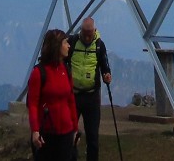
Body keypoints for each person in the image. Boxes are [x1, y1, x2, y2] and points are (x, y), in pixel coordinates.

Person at [27, 28, 79, 161]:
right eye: (65, 42)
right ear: (57, 46)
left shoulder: (66, 70)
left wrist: (75, 129)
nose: (69, 46)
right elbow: (32, 104)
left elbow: (71, 100)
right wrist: (35, 131)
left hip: (66, 133)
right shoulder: (39, 73)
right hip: (46, 134)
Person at [68, 17, 112, 161]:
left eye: (90, 33)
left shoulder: (99, 45)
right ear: (81, 30)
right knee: (70, 134)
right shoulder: (72, 42)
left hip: (92, 96)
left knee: (92, 136)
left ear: (95, 31)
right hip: (73, 95)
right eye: (85, 33)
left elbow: (105, 65)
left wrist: (107, 75)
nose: (87, 36)